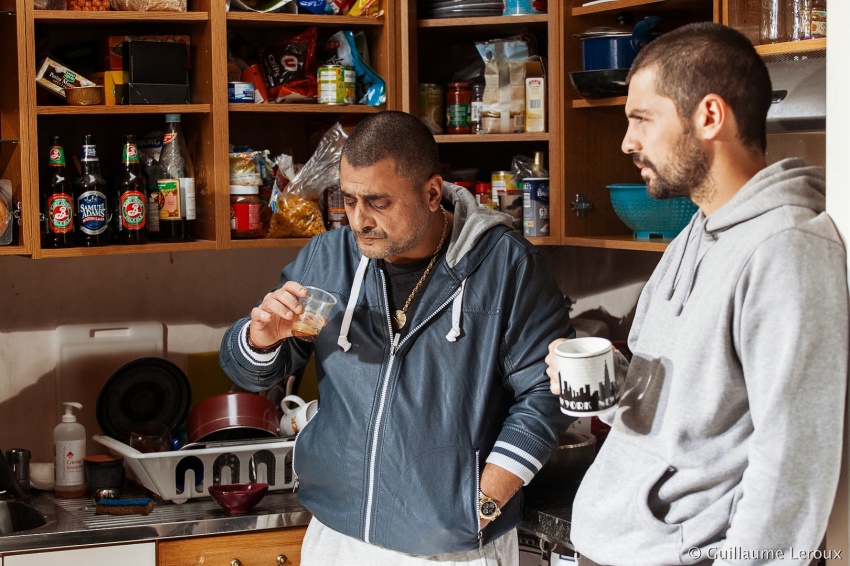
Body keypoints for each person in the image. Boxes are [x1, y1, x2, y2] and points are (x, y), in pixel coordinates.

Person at [545, 22, 849, 566]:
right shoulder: (696, 230)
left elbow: (792, 462)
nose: (627, 141)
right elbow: (685, 403)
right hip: (615, 542)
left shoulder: (787, 248)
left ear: (709, 116)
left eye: (642, 118)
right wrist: (606, 381)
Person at [220, 110, 573, 564]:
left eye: (379, 202)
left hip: (451, 549)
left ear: (432, 193)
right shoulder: (327, 258)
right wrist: (260, 339)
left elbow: (547, 393)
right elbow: (250, 373)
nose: (359, 220)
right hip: (337, 537)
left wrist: (484, 502)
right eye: (348, 199)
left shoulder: (506, 266)